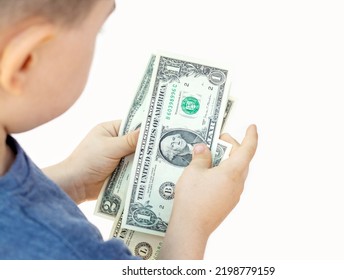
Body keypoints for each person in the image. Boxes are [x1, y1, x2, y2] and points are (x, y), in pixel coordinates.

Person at [0, 0, 258, 260]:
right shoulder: (69, 253)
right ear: (25, 61)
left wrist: (72, 181)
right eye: (97, 31)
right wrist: (192, 225)